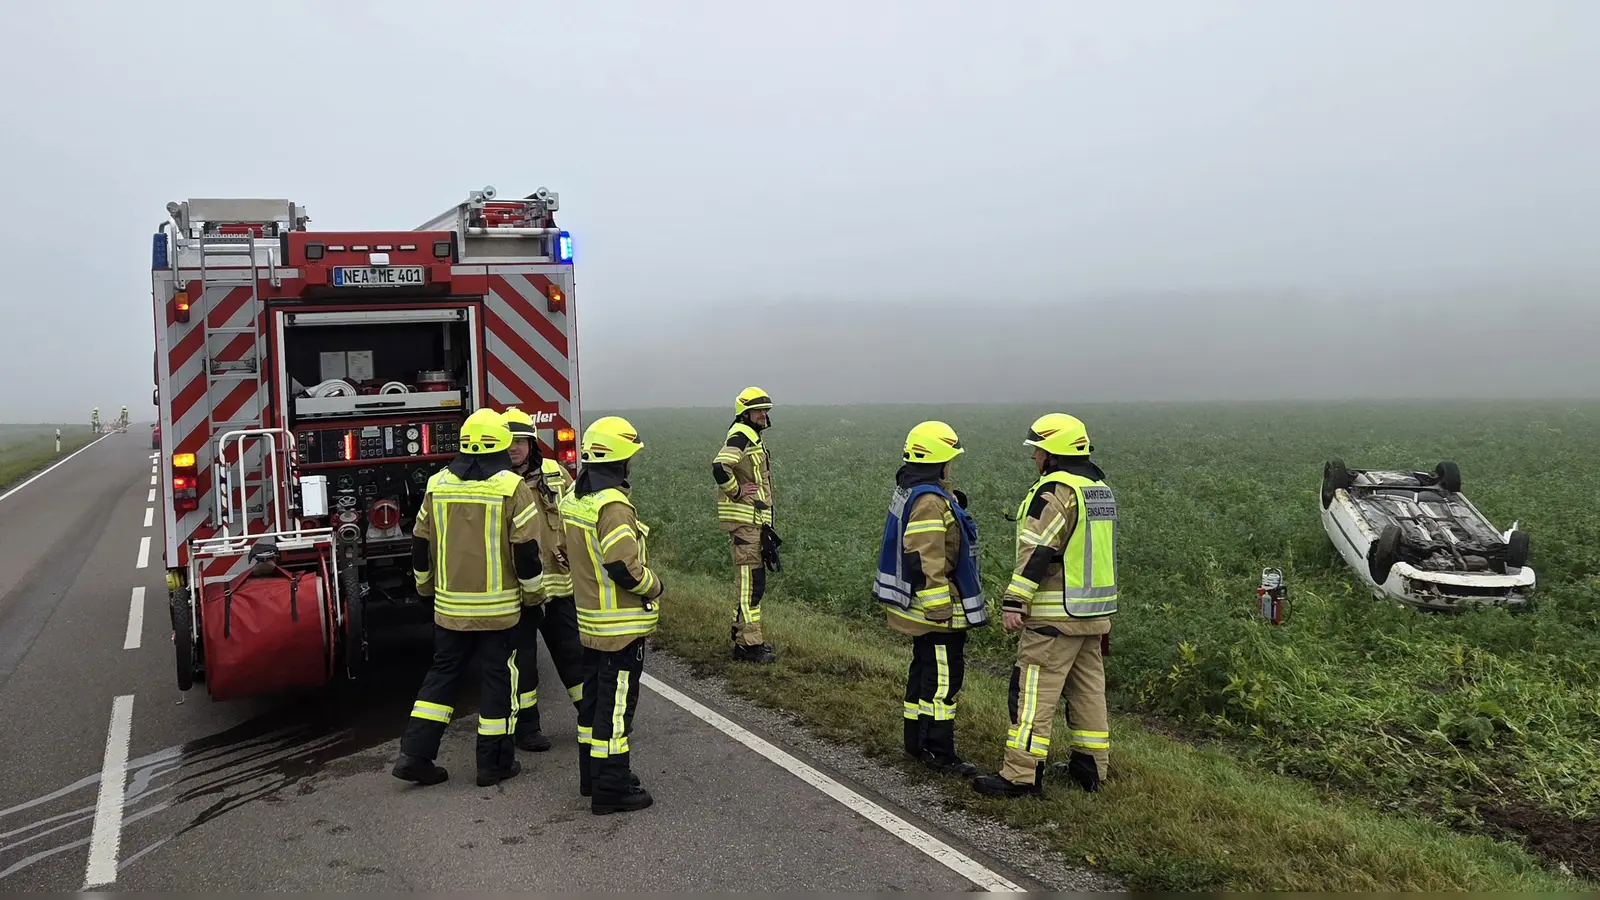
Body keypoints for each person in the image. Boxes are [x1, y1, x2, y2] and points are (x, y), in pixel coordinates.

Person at [391, 408, 543, 789]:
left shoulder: (437, 484)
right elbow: (526, 553)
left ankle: (415, 755)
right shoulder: (512, 487)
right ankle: (493, 764)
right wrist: (534, 598)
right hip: (500, 612)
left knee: (441, 677)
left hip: (449, 611)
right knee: (497, 682)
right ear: (501, 444)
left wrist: (426, 591)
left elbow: (420, 547)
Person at [972, 413, 1118, 799]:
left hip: (1054, 617)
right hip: (1093, 614)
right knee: (1088, 693)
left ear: (1053, 453)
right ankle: (1091, 769)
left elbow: (1040, 550)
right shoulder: (1098, 490)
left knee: (1032, 693)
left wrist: (1015, 600)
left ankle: (1020, 775)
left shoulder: (1056, 491)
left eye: (1038, 449)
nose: (1034, 456)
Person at [872, 420, 988, 778]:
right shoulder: (926, 500)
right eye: (950, 458)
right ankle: (938, 752)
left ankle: (915, 742)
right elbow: (925, 556)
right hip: (935, 612)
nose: (952, 465)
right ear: (939, 460)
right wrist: (940, 606)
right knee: (942, 681)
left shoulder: (915, 490)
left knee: (923, 671)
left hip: (921, 608)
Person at [562, 415, 663, 814]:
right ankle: (612, 787)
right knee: (616, 708)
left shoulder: (576, 497)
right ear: (620, 460)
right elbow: (623, 567)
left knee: (593, 704)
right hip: (620, 626)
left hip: (590, 622)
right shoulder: (614, 506)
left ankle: (592, 776)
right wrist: (654, 586)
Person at [501, 407, 587, 754]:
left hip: (557, 587)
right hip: (518, 591)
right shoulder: (496, 482)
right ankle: (527, 728)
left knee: (574, 655)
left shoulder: (554, 473)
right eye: (507, 443)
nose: (513, 449)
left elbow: (577, 512)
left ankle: (592, 715)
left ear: (532, 443)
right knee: (523, 666)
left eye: (519, 442)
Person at [710, 386, 779, 664]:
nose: (764, 414)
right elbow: (719, 467)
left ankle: (746, 639)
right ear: (745, 413)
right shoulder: (741, 436)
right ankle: (749, 646)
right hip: (745, 524)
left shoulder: (750, 436)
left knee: (753, 584)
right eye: (759, 410)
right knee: (751, 584)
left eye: (765, 410)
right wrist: (737, 491)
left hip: (754, 524)